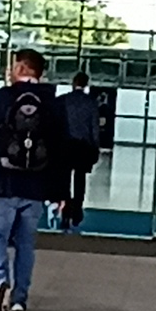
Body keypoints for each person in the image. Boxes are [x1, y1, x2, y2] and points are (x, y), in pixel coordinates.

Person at [0, 48, 63, 311]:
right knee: (25, 244)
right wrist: (59, 192)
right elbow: (60, 149)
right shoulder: (52, 102)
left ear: (21, 69)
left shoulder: (1, 98)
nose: (9, 71)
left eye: (13, 66)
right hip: (36, 186)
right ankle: (19, 301)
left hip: (2, 182)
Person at [52, 71, 105, 232]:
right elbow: (94, 129)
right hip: (83, 146)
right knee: (80, 179)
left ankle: (65, 209)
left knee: (65, 179)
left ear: (73, 83)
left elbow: (56, 124)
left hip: (65, 145)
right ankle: (77, 209)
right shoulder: (91, 103)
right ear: (86, 84)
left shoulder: (63, 101)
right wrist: (96, 147)